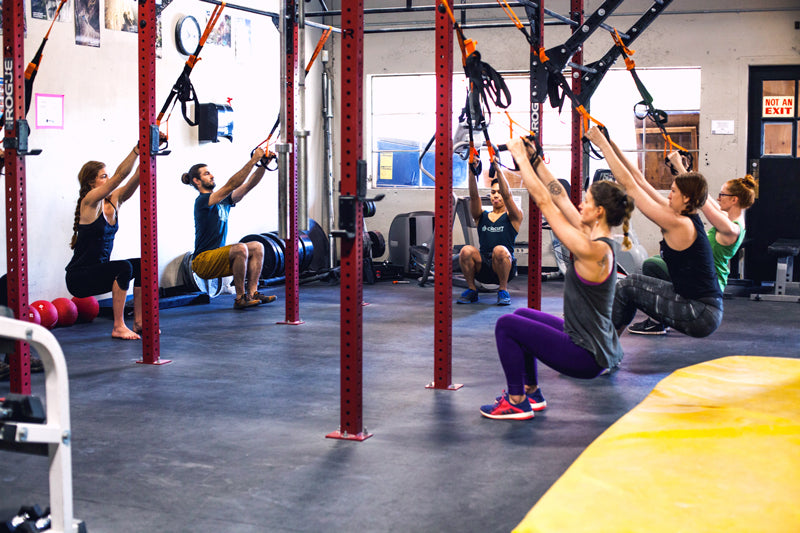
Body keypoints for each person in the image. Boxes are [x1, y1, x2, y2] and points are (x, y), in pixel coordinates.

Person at [479, 137, 633, 420]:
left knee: (506, 325)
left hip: (586, 357)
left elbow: (544, 201)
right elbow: (558, 195)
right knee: (524, 315)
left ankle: (516, 400)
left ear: (599, 211)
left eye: (586, 202)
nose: (580, 205)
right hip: (594, 343)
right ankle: (531, 391)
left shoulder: (591, 249)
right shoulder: (596, 236)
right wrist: (535, 158)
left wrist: (520, 159)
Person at [584, 126, 723, 339]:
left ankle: (602, 349)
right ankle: (608, 347)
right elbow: (639, 180)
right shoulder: (680, 216)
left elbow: (630, 186)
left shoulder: (680, 224)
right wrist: (611, 144)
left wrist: (601, 146)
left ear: (686, 198)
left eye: (673, 191)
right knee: (631, 282)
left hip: (700, 313)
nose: (669, 196)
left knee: (627, 286)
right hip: (698, 306)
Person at [628, 152, 757, 334]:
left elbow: (702, 201)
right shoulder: (730, 219)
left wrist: (682, 170)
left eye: (722, 194)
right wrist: (683, 169)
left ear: (734, 199)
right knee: (658, 261)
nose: (718, 197)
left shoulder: (731, 229)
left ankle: (658, 321)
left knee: (652, 265)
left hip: (709, 285)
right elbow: (706, 200)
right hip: (698, 274)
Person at [65, 144, 144, 340]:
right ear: (91, 183)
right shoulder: (89, 201)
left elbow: (136, 178)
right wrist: (137, 150)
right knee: (124, 267)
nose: (108, 179)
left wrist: (150, 151)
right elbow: (120, 176)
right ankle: (118, 326)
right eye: (103, 176)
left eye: (107, 175)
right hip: (79, 277)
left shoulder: (113, 200)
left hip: (99, 271)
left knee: (143, 265)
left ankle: (140, 321)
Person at [182, 148, 277, 310]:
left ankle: (252, 293)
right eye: (206, 174)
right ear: (196, 181)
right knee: (240, 248)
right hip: (202, 261)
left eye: (210, 173)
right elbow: (232, 184)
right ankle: (240, 297)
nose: (211, 175)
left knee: (257, 246)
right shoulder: (202, 201)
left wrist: (263, 165)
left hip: (218, 257)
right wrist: (253, 160)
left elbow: (248, 186)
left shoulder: (224, 201)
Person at [456, 161, 523, 306]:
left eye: (499, 192)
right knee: (466, 250)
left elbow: (508, 196)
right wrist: (471, 172)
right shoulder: (481, 216)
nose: (496, 196)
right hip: (483, 267)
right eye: (493, 192)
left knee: (499, 250)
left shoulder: (513, 217)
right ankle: (472, 290)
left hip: (504, 265)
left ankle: (503, 290)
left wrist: (498, 169)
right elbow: (474, 197)